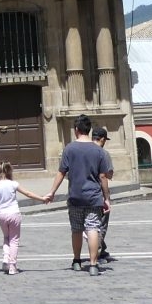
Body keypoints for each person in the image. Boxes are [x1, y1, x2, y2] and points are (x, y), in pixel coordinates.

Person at [45, 114, 112, 276]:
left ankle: (76, 261)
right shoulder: (99, 151)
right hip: (93, 196)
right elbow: (103, 176)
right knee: (93, 228)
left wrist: (52, 192)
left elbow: (61, 173)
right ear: (88, 130)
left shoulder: (69, 149)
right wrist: (107, 198)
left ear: (76, 130)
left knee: (76, 229)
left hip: (75, 196)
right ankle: (94, 264)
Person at [0, 160, 43, 275]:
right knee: (14, 240)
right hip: (14, 214)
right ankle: (12, 266)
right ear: (8, 171)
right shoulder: (13, 184)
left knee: (6, 237)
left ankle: (5, 259)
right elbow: (28, 193)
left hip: (2, 215)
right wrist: (42, 199)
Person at [90, 126, 115, 263]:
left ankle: (102, 250)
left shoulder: (84, 151)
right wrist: (106, 198)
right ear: (103, 139)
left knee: (89, 223)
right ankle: (97, 253)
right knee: (101, 225)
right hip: (99, 193)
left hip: (84, 193)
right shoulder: (103, 154)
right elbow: (106, 175)